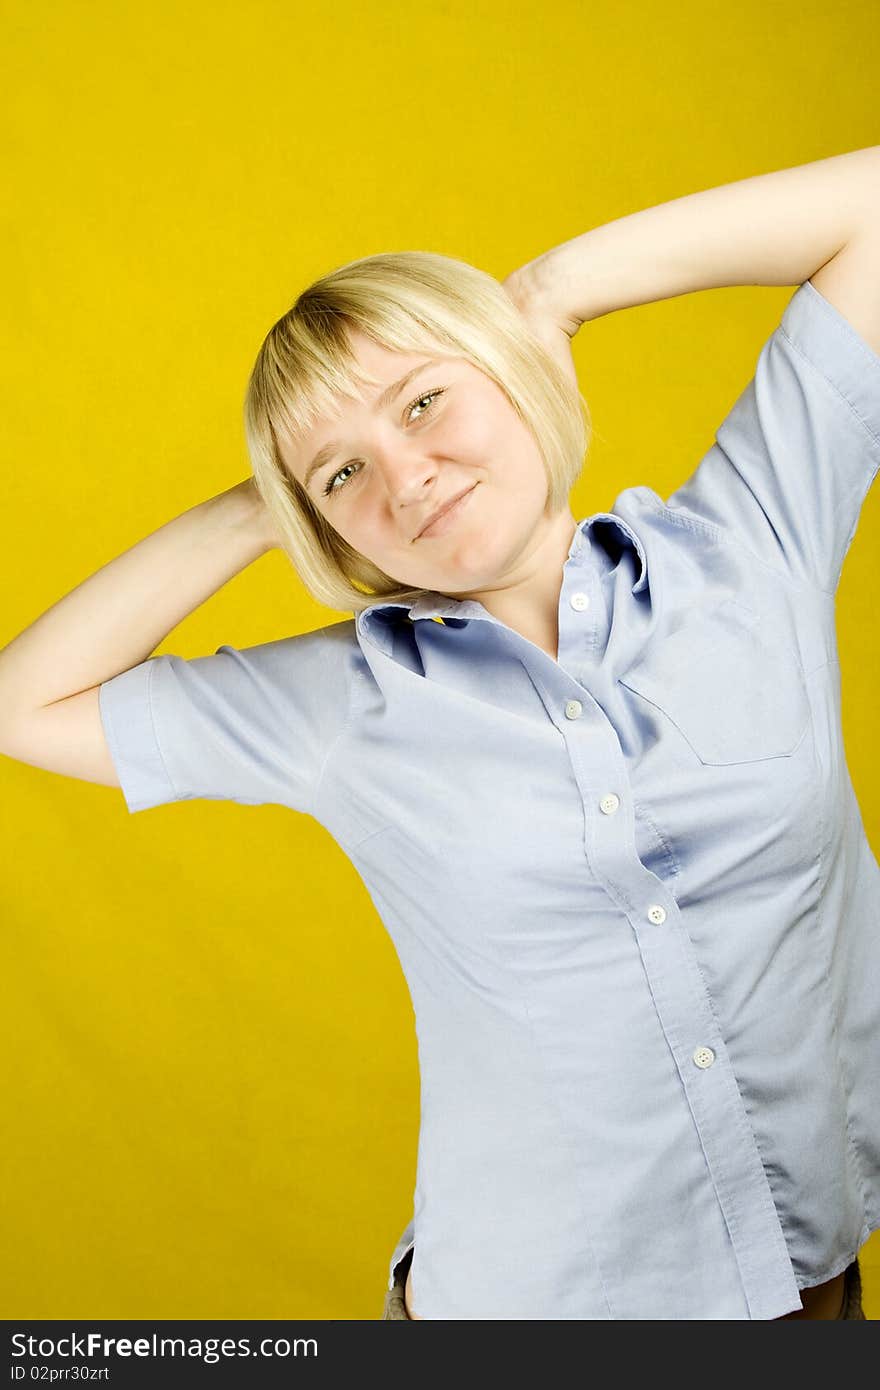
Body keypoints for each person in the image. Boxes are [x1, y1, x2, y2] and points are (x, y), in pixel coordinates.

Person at [1, 154, 878, 1319]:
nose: (406, 477)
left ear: (508, 368)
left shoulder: (753, 540)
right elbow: (23, 702)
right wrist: (261, 504)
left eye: (425, 400)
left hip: (803, 1280)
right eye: (344, 473)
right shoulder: (341, 708)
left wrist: (553, 289)